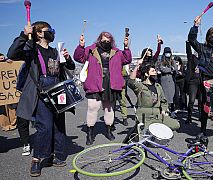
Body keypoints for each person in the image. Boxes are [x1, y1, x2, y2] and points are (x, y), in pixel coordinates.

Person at [7, 21, 75, 177]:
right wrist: (24, 35)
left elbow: (68, 68)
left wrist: (68, 59)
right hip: (40, 90)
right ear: (39, 33)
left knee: (58, 125)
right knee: (44, 127)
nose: (52, 32)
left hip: (57, 89)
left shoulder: (54, 51)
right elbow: (12, 54)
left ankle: (56, 155)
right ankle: (37, 159)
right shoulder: (31, 49)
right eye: (49, 30)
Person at [73, 31, 132, 144]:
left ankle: (109, 131)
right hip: (95, 82)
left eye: (108, 40)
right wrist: (81, 46)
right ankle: (90, 134)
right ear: (99, 39)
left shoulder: (117, 52)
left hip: (111, 83)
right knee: (92, 107)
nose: (106, 42)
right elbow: (78, 57)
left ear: (112, 41)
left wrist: (126, 47)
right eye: (104, 39)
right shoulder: (91, 50)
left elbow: (127, 60)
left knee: (108, 108)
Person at [128, 61, 180, 130]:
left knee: (176, 125)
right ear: (146, 74)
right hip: (145, 117)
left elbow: (164, 101)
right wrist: (137, 66)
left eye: (155, 71)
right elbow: (131, 81)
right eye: (153, 71)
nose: (155, 72)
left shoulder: (158, 86)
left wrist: (164, 110)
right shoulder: (141, 86)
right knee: (147, 132)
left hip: (158, 116)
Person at [185, 41, 202, 124]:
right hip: (193, 81)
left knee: (201, 100)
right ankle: (189, 116)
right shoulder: (192, 58)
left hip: (201, 81)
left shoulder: (203, 58)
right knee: (191, 100)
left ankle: (200, 115)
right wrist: (188, 44)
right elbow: (189, 52)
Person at [158, 47, 178, 118]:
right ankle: (165, 110)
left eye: (169, 52)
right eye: (167, 52)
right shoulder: (161, 61)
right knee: (165, 96)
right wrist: (171, 69)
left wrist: (170, 69)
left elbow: (175, 68)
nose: (168, 54)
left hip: (171, 80)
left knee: (172, 97)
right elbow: (163, 69)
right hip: (164, 80)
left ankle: (172, 111)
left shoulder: (173, 61)